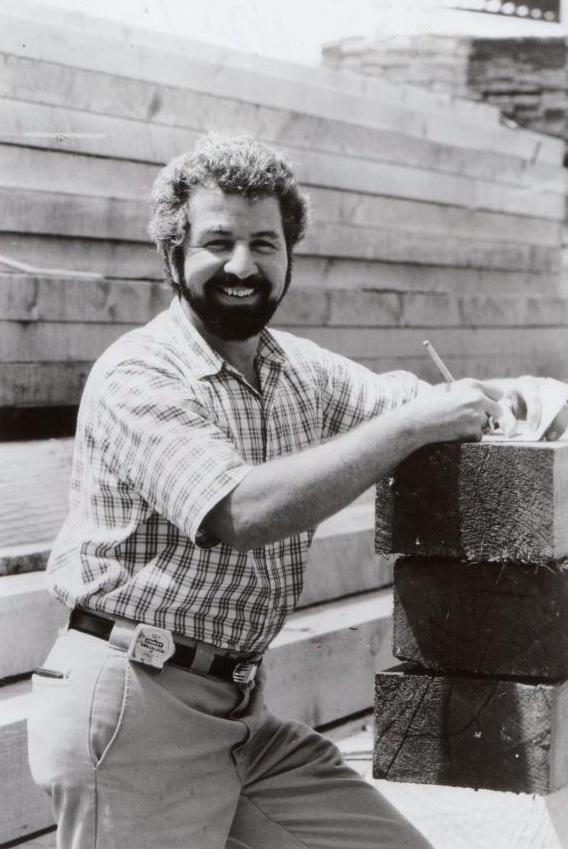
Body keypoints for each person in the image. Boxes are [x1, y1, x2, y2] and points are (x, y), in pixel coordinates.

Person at [28, 135, 566, 849]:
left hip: (242, 715)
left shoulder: (297, 369)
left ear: (290, 257)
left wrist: (527, 404)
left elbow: (421, 402)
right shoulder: (138, 374)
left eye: (265, 242)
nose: (244, 265)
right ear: (172, 255)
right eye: (218, 241)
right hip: (134, 703)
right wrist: (410, 424)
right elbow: (239, 511)